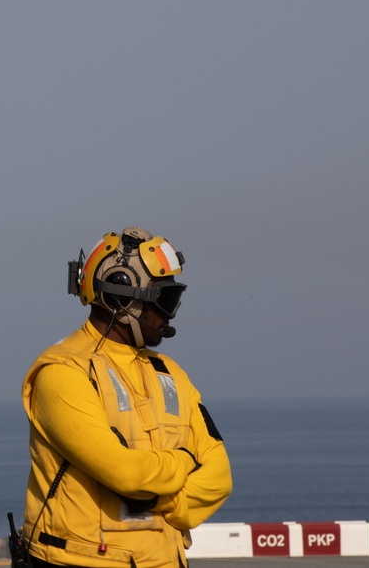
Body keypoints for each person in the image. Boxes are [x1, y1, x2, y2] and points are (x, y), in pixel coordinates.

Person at [21, 227, 232, 568]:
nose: (169, 315)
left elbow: (220, 476)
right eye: (165, 300)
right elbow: (124, 475)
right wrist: (184, 461)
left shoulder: (171, 374)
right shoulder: (63, 372)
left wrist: (162, 502)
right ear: (120, 299)